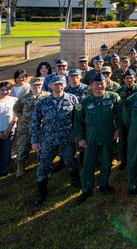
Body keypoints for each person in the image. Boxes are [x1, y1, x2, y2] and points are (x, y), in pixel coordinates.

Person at [30, 75, 81, 206]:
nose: (58, 86)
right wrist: (35, 141)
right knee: (44, 165)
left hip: (67, 138)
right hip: (48, 140)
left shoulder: (73, 99)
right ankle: (41, 191)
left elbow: (79, 119)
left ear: (65, 85)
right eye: (55, 84)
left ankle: (75, 180)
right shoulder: (43, 102)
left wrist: (79, 136)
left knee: (71, 161)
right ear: (51, 86)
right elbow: (35, 122)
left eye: (61, 84)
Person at [74, 74, 122, 203]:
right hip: (91, 134)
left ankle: (103, 184)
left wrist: (118, 129)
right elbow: (78, 122)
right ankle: (87, 189)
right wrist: (80, 138)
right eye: (96, 84)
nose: (99, 86)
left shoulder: (113, 97)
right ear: (91, 85)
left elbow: (119, 115)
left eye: (101, 83)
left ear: (106, 83)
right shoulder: (84, 102)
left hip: (108, 132)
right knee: (88, 161)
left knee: (107, 159)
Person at [13, 77, 49, 177]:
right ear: (30, 86)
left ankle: (42, 165)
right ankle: (20, 166)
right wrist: (22, 118)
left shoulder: (47, 96)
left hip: (42, 127)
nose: (36, 87)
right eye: (34, 85)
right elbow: (16, 109)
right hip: (25, 127)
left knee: (42, 147)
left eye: (39, 85)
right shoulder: (24, 98)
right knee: (23, 147)